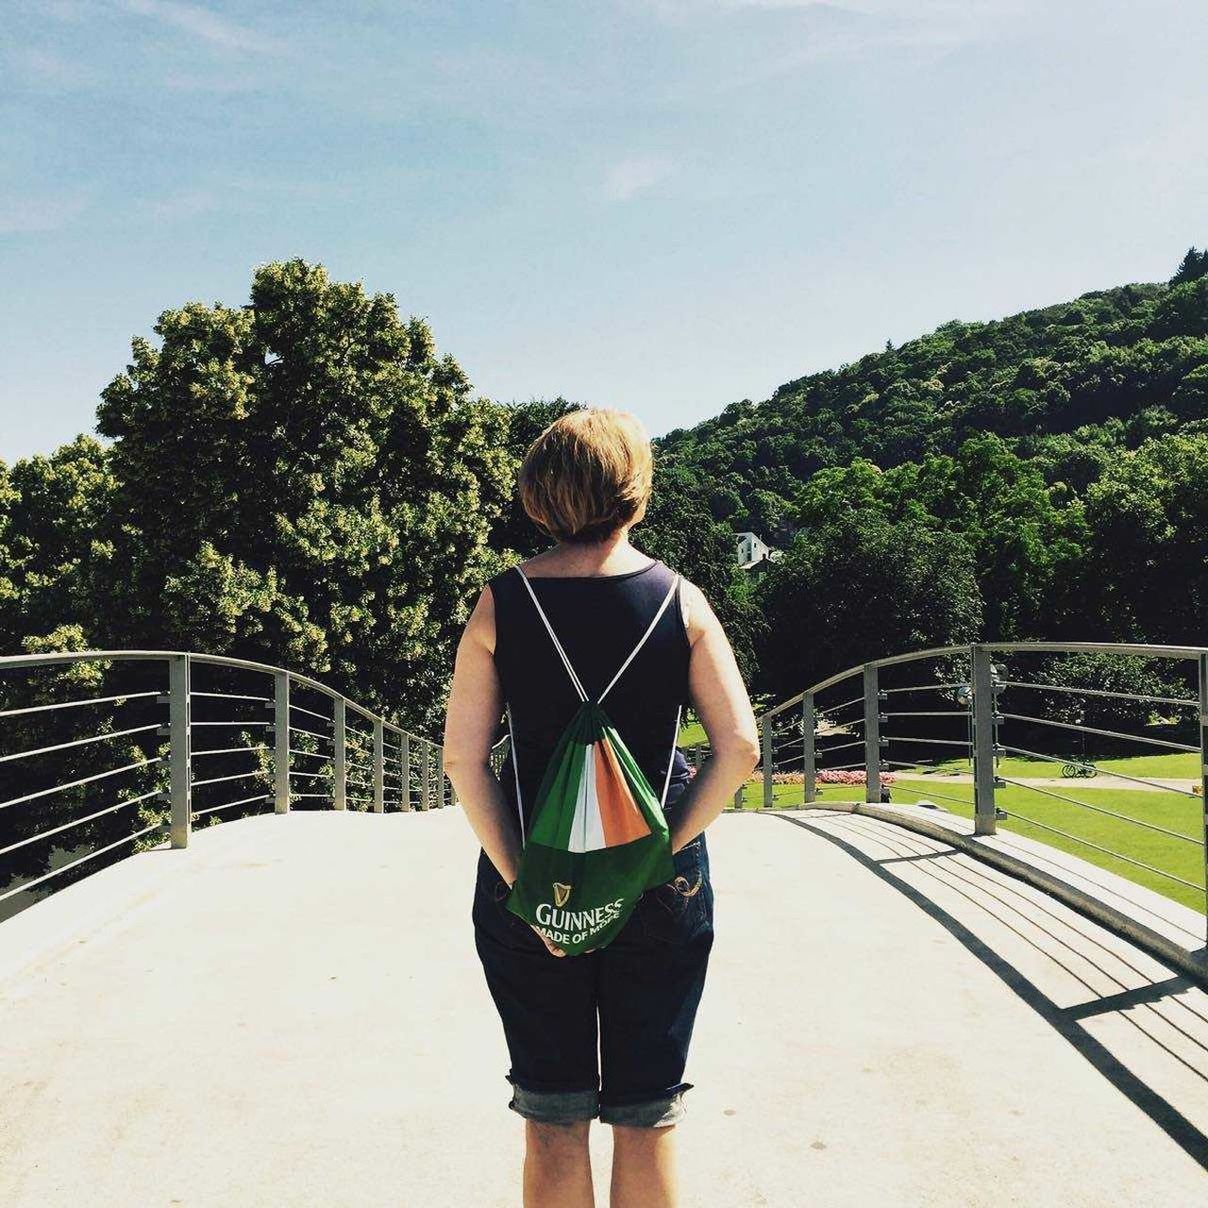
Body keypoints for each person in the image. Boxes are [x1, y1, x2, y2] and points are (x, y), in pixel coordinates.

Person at [443, 408, 759, 1208]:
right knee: (646, 1117)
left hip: (533, 886)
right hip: (658, 889)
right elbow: (740, 749)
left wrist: (527, 881)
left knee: (552, 1117)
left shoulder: (500, 604)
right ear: (635, 490)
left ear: (539, 497)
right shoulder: (682, 601)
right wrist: (661, 852)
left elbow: (462, 759)